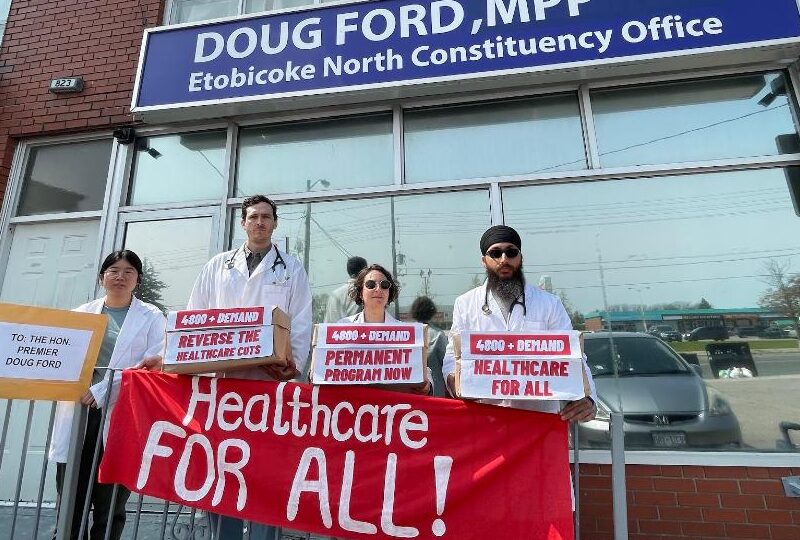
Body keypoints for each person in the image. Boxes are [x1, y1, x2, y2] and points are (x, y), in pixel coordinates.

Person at [186, 195, 313, 539]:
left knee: (266, 468)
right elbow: (196, 314)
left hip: (268, 387)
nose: (259, 222)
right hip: (222, 388)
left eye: (266, 217)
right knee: (221, 466)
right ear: (242, 223)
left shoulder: (291, 268)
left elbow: (301, 320)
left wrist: (293, 363)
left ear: (275, 223)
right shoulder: (217, 266)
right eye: (253, 217)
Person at [50, 250, 166, 540]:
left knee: (110, 500)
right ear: (102, 277)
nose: (120, 277)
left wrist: (103, 389)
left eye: (128, 272)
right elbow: (61, 358)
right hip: (80, 413)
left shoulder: (151, 316)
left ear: (138, 279)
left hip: (122, 414)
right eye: (113, 270)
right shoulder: (81, 313)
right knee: (71, 495)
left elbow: (155, 365)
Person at [442, 225, 597, 420]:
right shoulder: (466, 304)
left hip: (539, 421)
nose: (504, 259)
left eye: (511, 252)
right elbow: (452, 357)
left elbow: (574, 355)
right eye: (496, 253)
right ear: (484, 261)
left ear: (520, 257)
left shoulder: (548, 303)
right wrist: (455, 382)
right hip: (486, 421)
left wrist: (589, 398)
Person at [339, 264, 431, 395]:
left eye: (384, 285)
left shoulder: (406, 332)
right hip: (353, 408)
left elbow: (423, 369)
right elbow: (323, 367)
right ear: (360, 292)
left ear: (389, 292)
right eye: (370, 284)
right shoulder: (342, 327)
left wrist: (427, 384)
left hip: (395, 409)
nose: (378, 289)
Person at [410, 296, 447, 397]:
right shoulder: (438, 335)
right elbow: (447, 363)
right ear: (432, 312)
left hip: (412, 390)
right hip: (436, 392)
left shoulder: (408, 334)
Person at [323, 256, 367, 322]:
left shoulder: (334, 294)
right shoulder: (365, 292)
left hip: (333, 331)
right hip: (356, 331)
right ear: (365, 271)